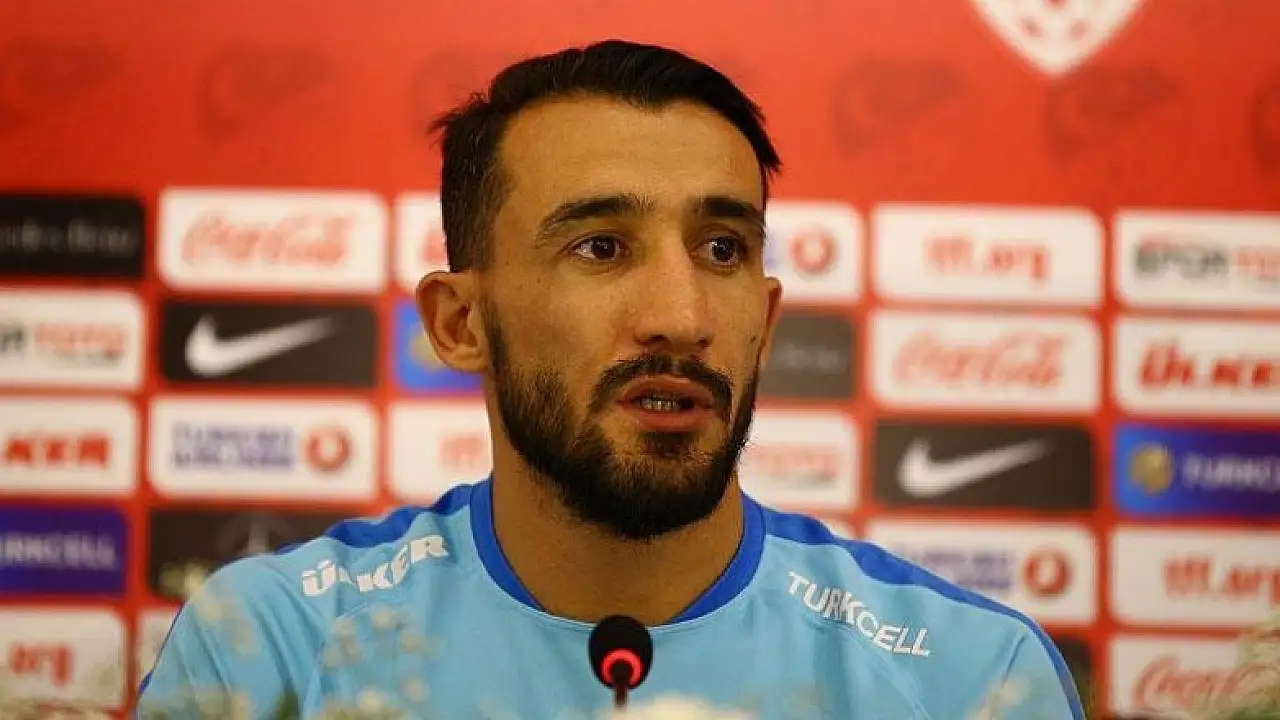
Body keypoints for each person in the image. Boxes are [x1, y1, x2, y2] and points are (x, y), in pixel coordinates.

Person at [137, 39, 1085, 720]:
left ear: (766, 324)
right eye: (600, 246)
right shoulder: (271, 649)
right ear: (461, 324)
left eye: (722, 248)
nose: (681, 314)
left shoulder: (971, 678)